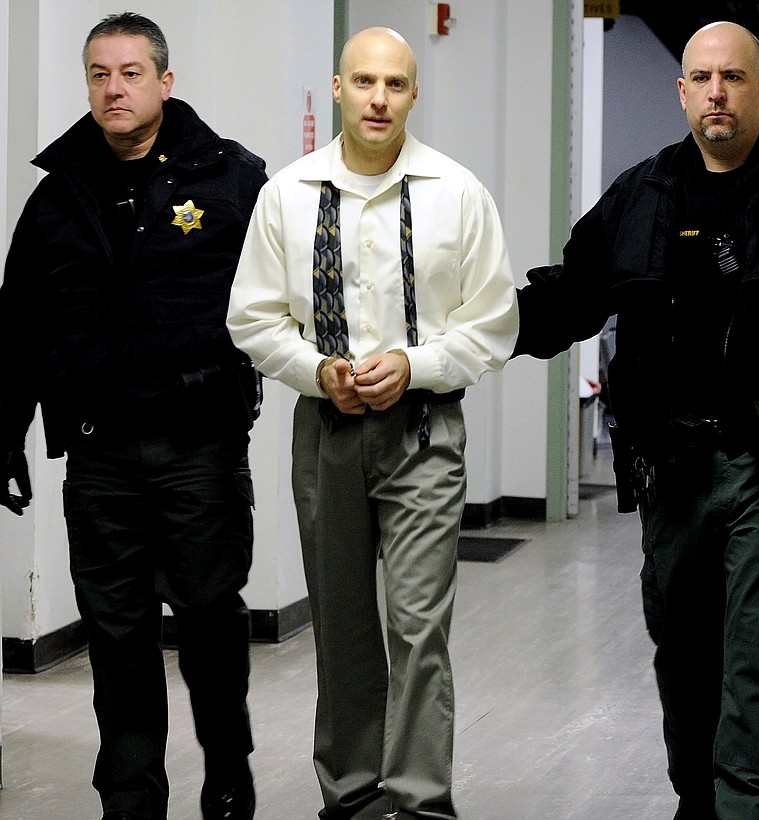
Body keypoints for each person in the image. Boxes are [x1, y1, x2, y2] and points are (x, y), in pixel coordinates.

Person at [227, 26, 518, 820]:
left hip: (426, 433)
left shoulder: (457, 193)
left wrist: (416, 366)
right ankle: (352, 794)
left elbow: (494, 322)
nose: (379, 98)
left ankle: (422, 802)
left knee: (419, 626)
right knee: (344, 625)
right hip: (326, 433)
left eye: (394, 84)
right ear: (338, 89)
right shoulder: (286, 195)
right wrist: (317, 371)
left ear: (414, 94)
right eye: (364, 82)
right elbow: (251, 320)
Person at [515, 19, 759, 820]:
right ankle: (700, 798)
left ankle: (757, 805)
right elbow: (569, 295)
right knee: (684, 655)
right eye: (702, 78)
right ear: (682, 93)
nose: (717, 92)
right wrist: (471, 336)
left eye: (734, 78)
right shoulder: (641, 195)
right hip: (672, 467)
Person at [0, 12, 268, 820]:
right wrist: (4, 434)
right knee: (116, 638)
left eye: (128, 72)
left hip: (200, 447)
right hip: (99, 455)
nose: (112, 89)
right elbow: (18, 327)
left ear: (164, 81)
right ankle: (130, 798)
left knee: (211, 624)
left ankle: (228, 772)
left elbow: (279, 300)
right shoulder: (57, 199)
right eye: (97, 74)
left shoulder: (231, 180)